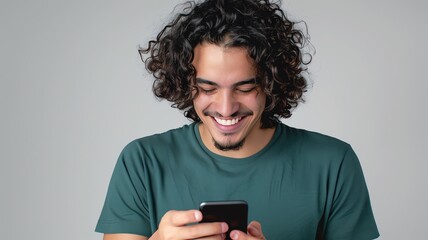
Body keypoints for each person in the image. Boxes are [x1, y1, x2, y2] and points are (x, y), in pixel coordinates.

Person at [95, 0, 379, 239]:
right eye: (207, 89)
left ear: (272, 82)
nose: (226, 108)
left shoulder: (333, 163)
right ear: (185, 82)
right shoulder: (142, 162)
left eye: (245, 88)